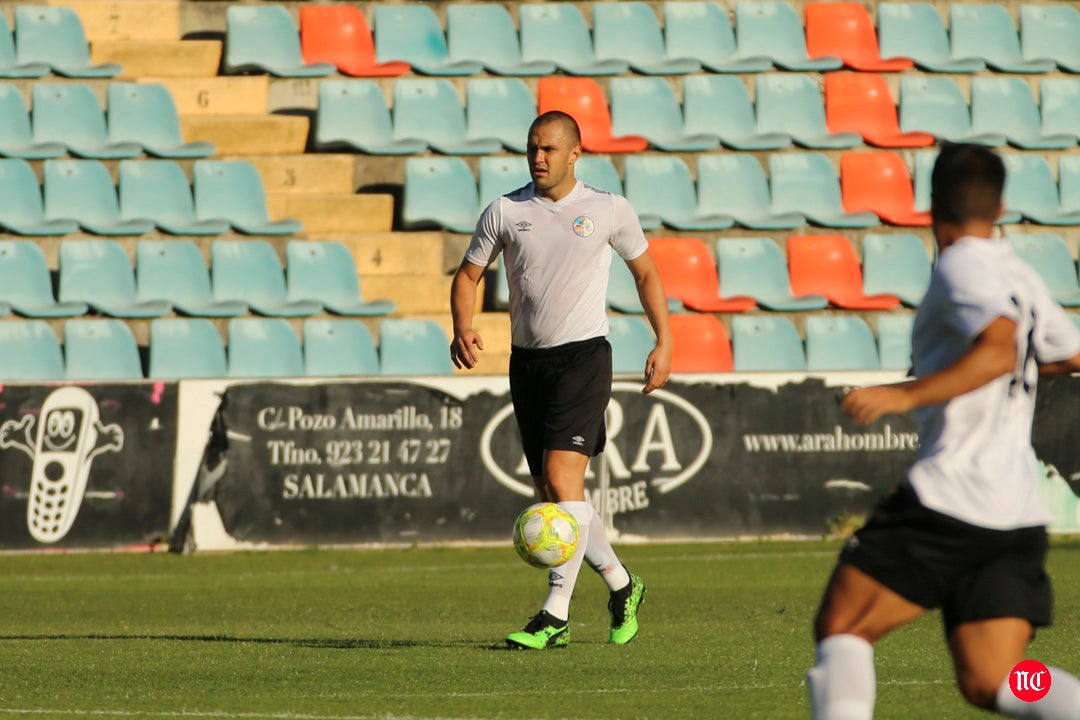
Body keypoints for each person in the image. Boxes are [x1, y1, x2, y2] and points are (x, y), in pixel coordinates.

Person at [808, 143, 1080, 719]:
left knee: (843, 627)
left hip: (952, 498)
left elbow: (1001, 347)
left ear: (930, 202)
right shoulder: (1018, 272)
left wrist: (900, 394)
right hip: (1017, 511)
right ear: (1001, 204)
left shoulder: (962, 265)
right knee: (999, 680)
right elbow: (1064, 352)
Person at [450, 110, 673, 650]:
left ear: (576, 153)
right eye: (532, 148)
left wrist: (663, 340)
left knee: (561, 478)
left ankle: (554, 615)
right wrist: (462, 326)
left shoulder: (608, 209)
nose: (538, 158)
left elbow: (645, 272)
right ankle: (622, 584)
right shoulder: (505, 210)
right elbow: (468, 274)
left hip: (584, 358)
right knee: (553, 493)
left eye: (549, 149)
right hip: (527, 363)